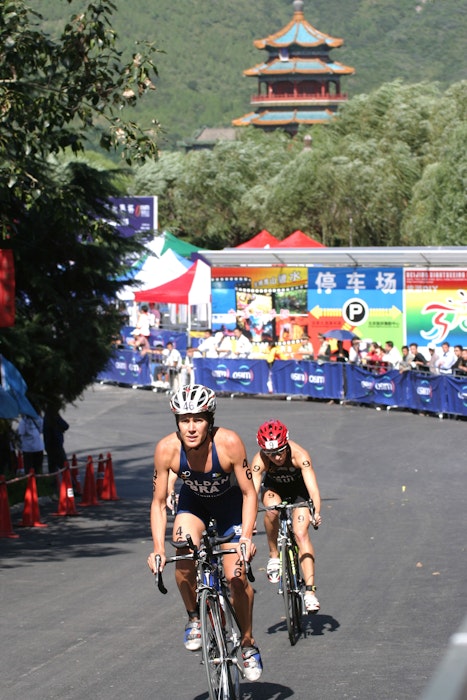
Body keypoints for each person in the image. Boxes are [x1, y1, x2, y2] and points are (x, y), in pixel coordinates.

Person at [147, 384, 263, 682]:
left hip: (230, 507)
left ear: (209, 421)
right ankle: (194, 617)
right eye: (184, 420)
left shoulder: (229, 443)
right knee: (182, 550)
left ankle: (248, 643)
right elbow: (158, 503)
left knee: (236, 576)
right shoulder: (166, 449)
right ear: (177, 422)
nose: (191, 427)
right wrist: (158, 548)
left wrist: (246, 538)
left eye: (197, 419)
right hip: (194, 504)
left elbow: (249, 493)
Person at [251, 419, 322, 614]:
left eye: (280, 451)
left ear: (286, 444)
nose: (276, 457)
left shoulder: (300, 455)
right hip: (274, 489)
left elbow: (313, 490)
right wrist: (250, 521)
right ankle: (274, 555)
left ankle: (310, 592)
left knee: (301, 534)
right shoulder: (259, 460)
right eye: (270, 454)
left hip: (299, 491)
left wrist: (316, 512)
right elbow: (252, 493)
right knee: (272, 510)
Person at [43, 405, 69, 475]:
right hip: (57, 445)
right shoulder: (55, 417)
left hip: (49, 446)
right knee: (64, 467)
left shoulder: (46, 417)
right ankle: (69, 481)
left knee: (52, 468)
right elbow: (66, 426)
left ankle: (53, 481)